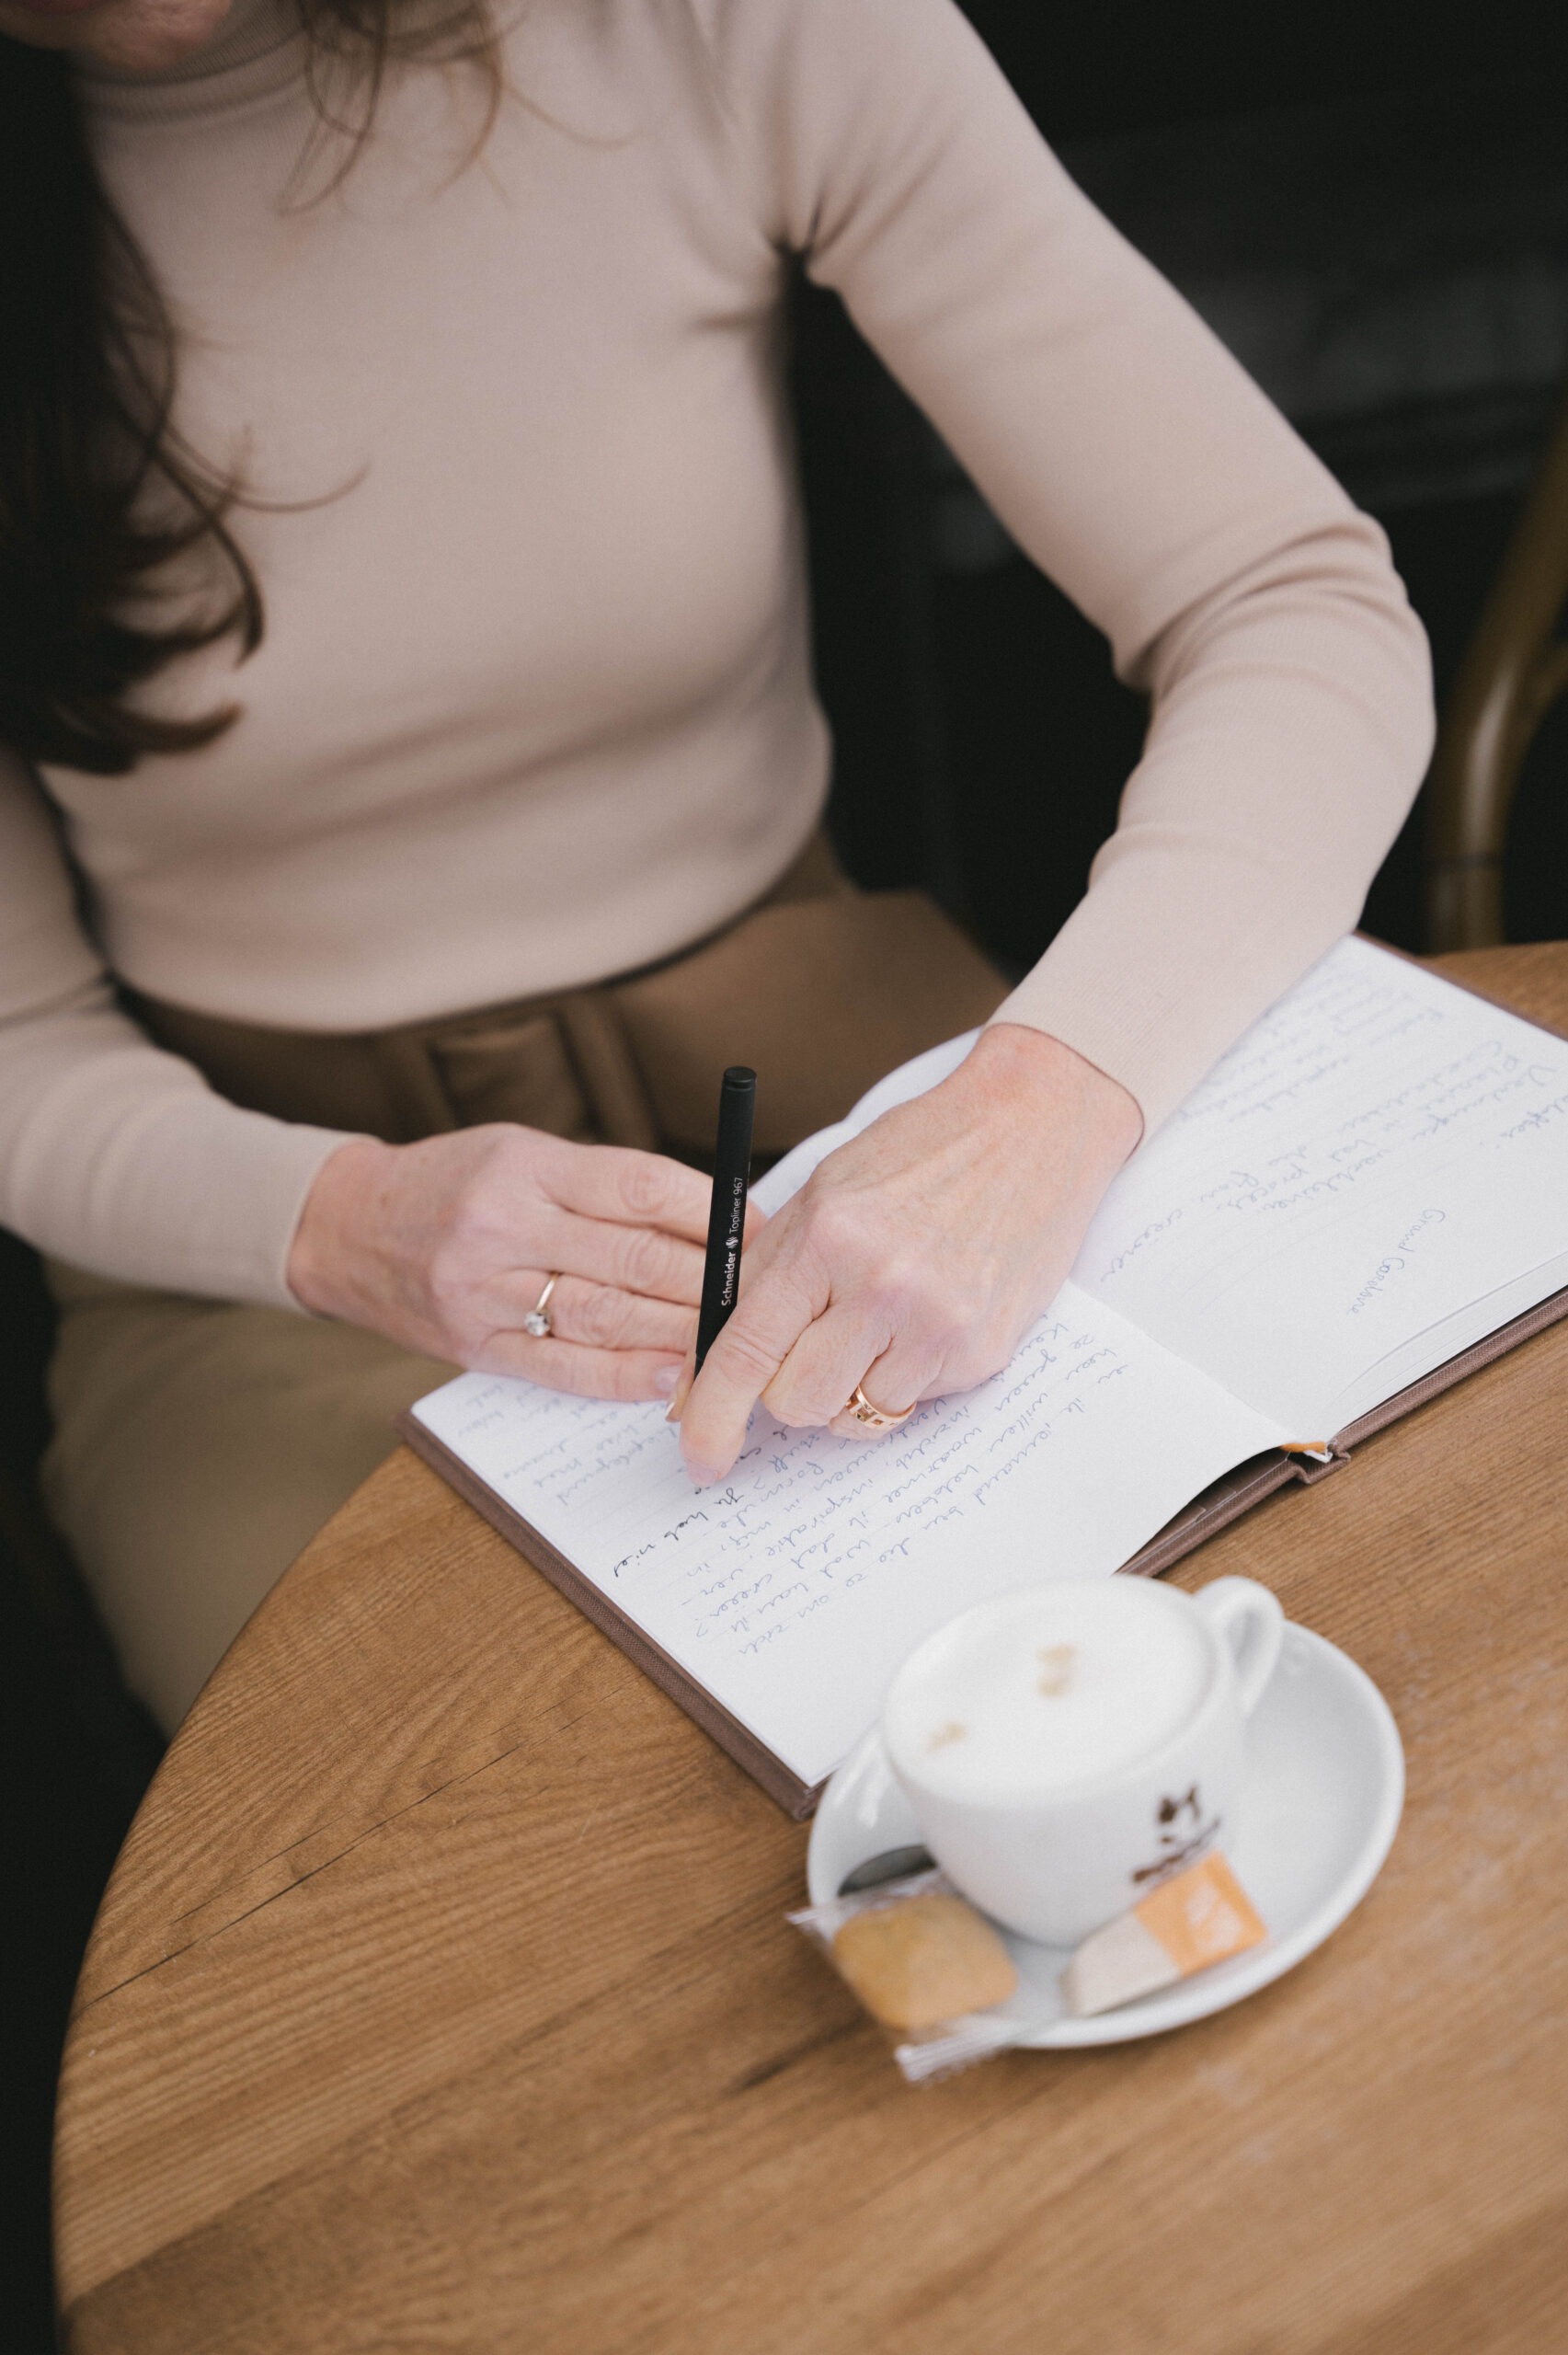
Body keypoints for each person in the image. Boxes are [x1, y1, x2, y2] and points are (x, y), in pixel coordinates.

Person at [0, 0, 1432, 1733]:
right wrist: (337, 1228)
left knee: (1256, 1670)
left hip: (875, 1102)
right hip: (244, 1242)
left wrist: (1036, 1112)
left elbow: (1289, 607)